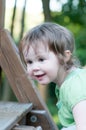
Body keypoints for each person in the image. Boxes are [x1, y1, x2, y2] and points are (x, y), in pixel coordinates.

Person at [19, 22, 86, 130]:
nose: (35, 67)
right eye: (29, 62)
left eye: (41, 59)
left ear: (64, 56)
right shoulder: (65, 84)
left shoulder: (75, 86)